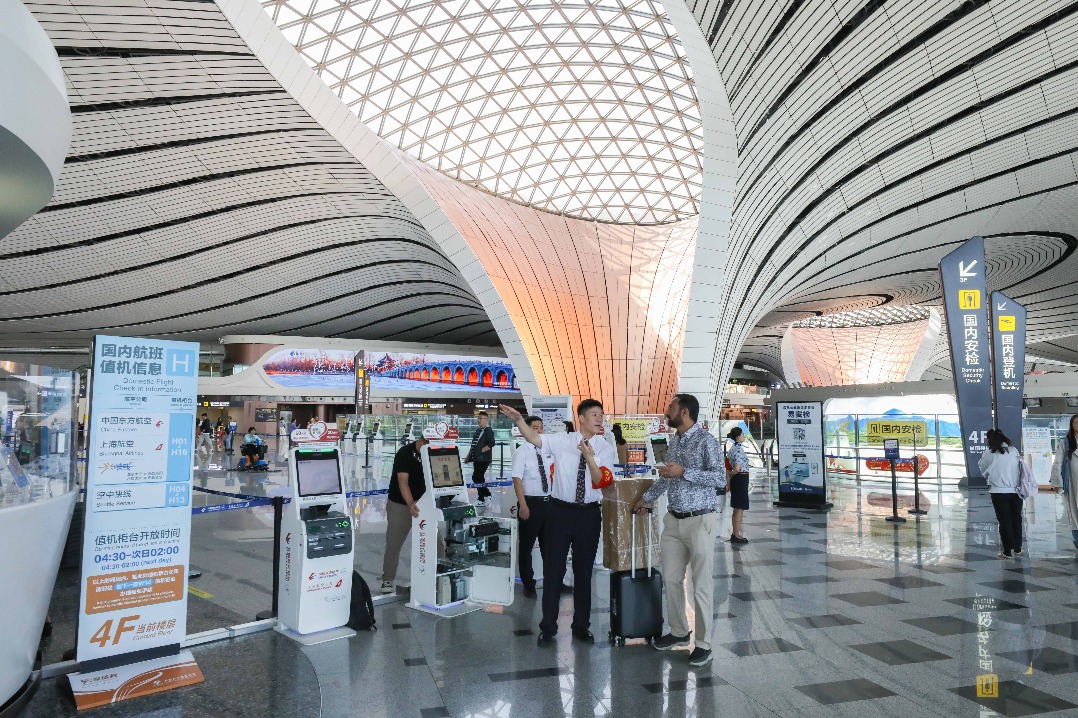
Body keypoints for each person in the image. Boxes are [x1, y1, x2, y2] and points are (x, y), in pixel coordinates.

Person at [500, 400, 616, 646]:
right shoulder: (562, 440)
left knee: (584, 573)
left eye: (602, 416)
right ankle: (548, 626)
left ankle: (581, 625)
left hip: (589, 514)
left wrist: (589, 458)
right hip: (559, 512)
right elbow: (534, 438)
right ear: (581, 418)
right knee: (554, 571)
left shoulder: (604, 447)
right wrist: (519, 420)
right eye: (594, 415)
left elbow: (600, 482)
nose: (599, 419)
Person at [634, 394, 725, 667]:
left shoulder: (706, 440)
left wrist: (685, 471)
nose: (666, 412)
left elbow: (720, 479)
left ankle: (703, 643)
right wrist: (646, 498)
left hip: (700, 521)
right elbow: (667, 477)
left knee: (701, 584)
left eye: (671, 407)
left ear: (684, 412)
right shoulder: (673, 441)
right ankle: (678, 631)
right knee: (671, 579)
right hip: (673, 521)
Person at [379, 435, 430, 593]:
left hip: (424, 506)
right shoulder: (405, 453)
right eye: (426, 446)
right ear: (420, 442)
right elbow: (402, 481)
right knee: (394, 544)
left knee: (436, 543)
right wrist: (410, 503)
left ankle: (436, 575)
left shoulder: (431, 453)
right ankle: (388, 579)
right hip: (400, 505)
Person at [511, 415, 551, 598]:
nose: (538, 431)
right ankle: (529, 583)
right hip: (530, 503)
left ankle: (554, 580)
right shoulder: (522, 451)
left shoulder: (547, 449)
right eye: (534, 428)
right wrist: (523, 504)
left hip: (549, 503)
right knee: (526, 546)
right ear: (526, 429)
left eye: (541, 427)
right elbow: (517, 478)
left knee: (550, 546)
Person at [978, 428, 1023, 558]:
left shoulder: (989, 452)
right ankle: (1018, 548)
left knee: (1004, 520)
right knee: (1016, 518)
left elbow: (983, 468)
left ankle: (1007, 551)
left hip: (998, 491)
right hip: (1016, 490)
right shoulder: (1013, 450)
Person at [1049, 414, 1078, 553]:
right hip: (1072, 482)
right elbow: (1058, 463)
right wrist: (1057, 482)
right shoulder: (1065, 442)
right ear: (1072, 426)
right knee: (1074, 512)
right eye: (1076, 423)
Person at [464, 411, 496, 505]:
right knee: (478, 478)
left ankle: (484, 496)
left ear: (486, 420)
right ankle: (484, 496)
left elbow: (491, 443)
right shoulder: (478, 430)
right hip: (477, 458)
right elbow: (473, 445)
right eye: (478, 418)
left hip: (483, 459)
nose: (478, 420)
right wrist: (468, 456)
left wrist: (481, 451)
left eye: (480, 418)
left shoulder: (488, 431)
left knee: (476, 477)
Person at [726, 427, 750, 544]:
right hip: (741, 478)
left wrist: (729, 478)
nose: (744, 436)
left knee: (737, 507)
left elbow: (729, 466)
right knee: (740, 507)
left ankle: (735, 533)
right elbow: (737, 468)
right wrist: (732, 474)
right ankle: (736, 534)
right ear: (737, 437)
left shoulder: (731, 450)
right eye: (742, 434)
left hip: (736, 480)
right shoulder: (739, 450)